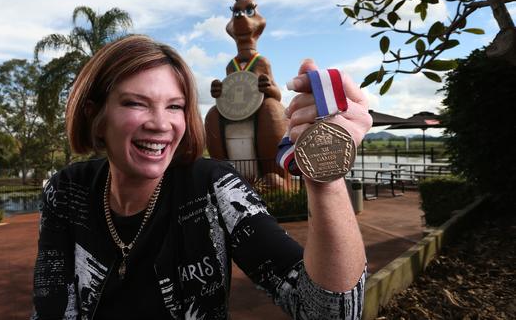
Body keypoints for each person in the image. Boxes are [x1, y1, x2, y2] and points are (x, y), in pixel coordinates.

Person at [31, 35, 371, 319]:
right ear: (95, 115)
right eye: (136, 103)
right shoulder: (66, 191)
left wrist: (324, 175)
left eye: (175, 106)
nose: (161, 124)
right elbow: (52, 309)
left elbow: (329, 313)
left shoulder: (213, 187)